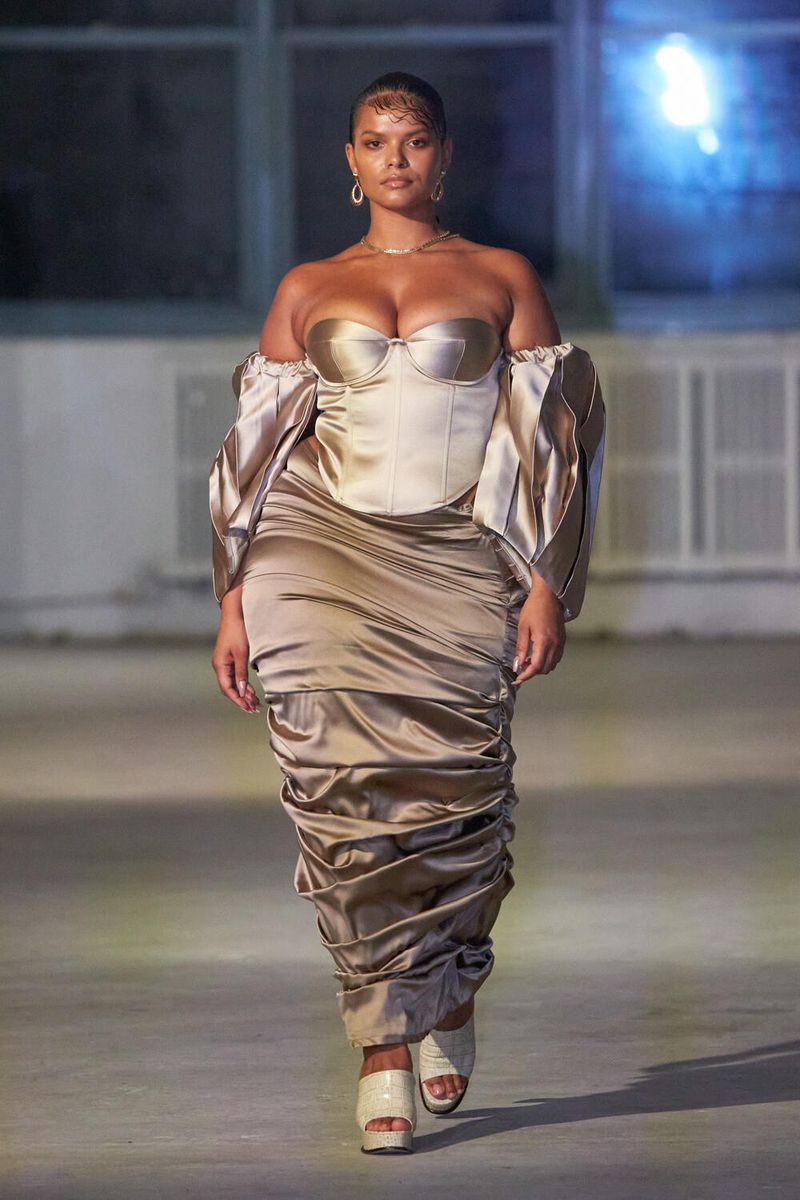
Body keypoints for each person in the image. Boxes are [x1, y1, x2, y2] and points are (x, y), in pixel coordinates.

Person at [210, 71, 605, 1155]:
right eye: (375, 140)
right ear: (349, 159)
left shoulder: (501, 276)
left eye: (415, 139)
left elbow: (550, 442)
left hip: (456, 555)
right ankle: (382, 1044)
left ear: (443, 154)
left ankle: (451, 987)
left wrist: (543, 581)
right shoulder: (306, 286)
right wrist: (234, 601)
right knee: (341, 796)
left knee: (458, 795)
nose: (395, 158)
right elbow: (251, 454)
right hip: (316, 547)